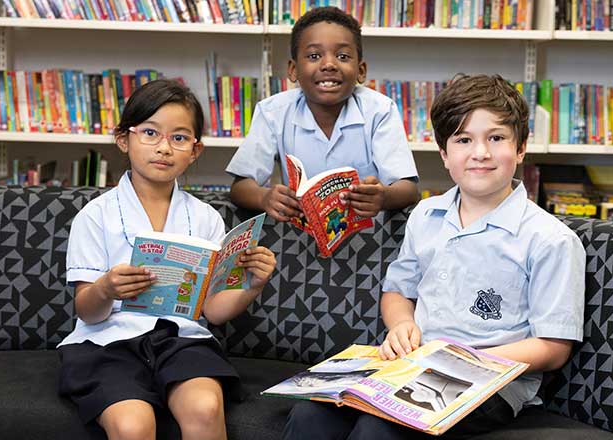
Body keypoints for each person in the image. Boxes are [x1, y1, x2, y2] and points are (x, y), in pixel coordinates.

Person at [283, 74, 586, 440]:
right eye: (463, 140)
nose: (480, 152)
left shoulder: (550, 239)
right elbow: (398, 291)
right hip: (412, 367)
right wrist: (401, 325)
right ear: (444, 154)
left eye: (496, 138)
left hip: (491, 382)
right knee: (311, 414)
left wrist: (465, 360)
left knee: (378, 429)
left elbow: (553, 347)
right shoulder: (426, 215)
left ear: (520, 148)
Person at [58, 78, 277, 440]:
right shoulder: (95, 216)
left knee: (205, 408)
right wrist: (106, 288)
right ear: (123, 139)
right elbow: (87, 311)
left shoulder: (206, 218)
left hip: (180, 341)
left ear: (195, 150)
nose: (164, 148)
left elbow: (212, 311)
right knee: (133, 425)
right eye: (150, 133)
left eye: (179, 138)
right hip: (106, 343)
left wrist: (253, 285)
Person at [226, 6, 419, 223]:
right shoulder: (272, 112)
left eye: (343, 56)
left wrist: (383, 197)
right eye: (314, 56)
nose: (329, 65)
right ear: (293, 70)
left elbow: (409, 189)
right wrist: (264, 197)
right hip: (298, 235)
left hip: (369, 237)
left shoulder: (380, 110)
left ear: (361, 70)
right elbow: (240, 187)